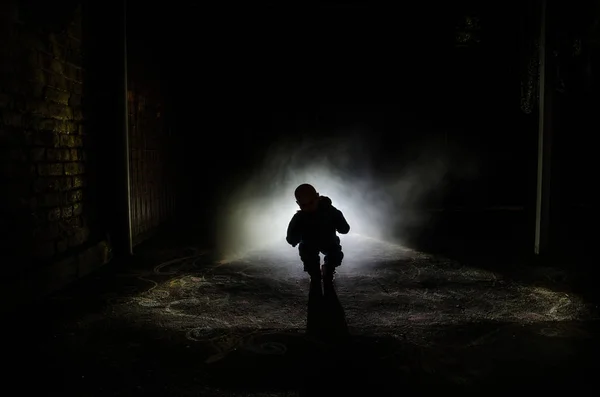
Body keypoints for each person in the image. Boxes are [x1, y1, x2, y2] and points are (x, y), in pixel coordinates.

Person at [286, 183, 350, 289]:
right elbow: (291, 235)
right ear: (298, 204)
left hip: (328, 241)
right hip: (309, 244)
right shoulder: (299, 217)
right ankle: (314, 273)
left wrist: (342, 226)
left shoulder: (329, 210)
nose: (308, 207)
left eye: (311, 202)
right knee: (308, 257)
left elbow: (343, 226)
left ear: (317, 197)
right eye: (303, 205)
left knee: (335, 254)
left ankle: (328, 269)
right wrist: (294, 238)